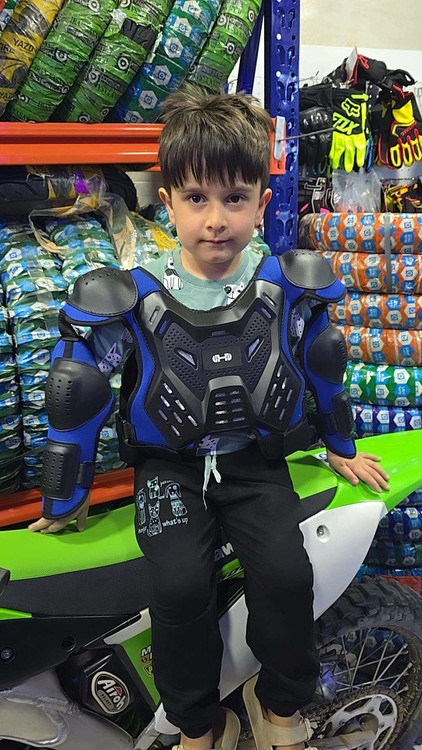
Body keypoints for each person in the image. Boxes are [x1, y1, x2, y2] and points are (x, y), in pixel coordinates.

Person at [28, 88, 390, 750]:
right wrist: (66, 494)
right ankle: (198, 722)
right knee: (177, 587)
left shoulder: (286, 286)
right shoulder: (133, 295)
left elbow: (323, 362)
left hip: (256, 464)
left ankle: (278, 706)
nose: (216, 219)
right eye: (197, 198)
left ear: (262, 203)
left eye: (234, 198)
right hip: (169, 472)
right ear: (167, 203)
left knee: (286, 576)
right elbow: (78, 387)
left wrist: (340, 446)